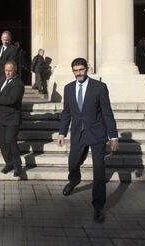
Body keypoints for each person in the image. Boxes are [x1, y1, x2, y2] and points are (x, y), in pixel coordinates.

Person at [57, 57, 119, 223]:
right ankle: (74, 180)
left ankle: (98, 207)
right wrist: (62, 132)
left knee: (99, 170)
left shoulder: (99, 87)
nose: (79, 73)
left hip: (97, 133)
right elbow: (67, 112)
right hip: (78, 133)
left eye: (81, 70)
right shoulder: (68, 88)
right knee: (73, 162)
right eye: (75, 71)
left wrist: (113, 136)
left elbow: (107, 112)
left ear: (87, 69)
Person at [0, 61, 24, 177]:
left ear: (15, 70)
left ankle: (18, 167)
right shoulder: (3, 79)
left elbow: (11, 99)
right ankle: (9, 163)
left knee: (11, 141)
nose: (8, 72)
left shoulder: (18, 84)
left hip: (12, 118)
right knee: (3, 143)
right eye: (6, 70)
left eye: (10, 70)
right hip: (0, 118)